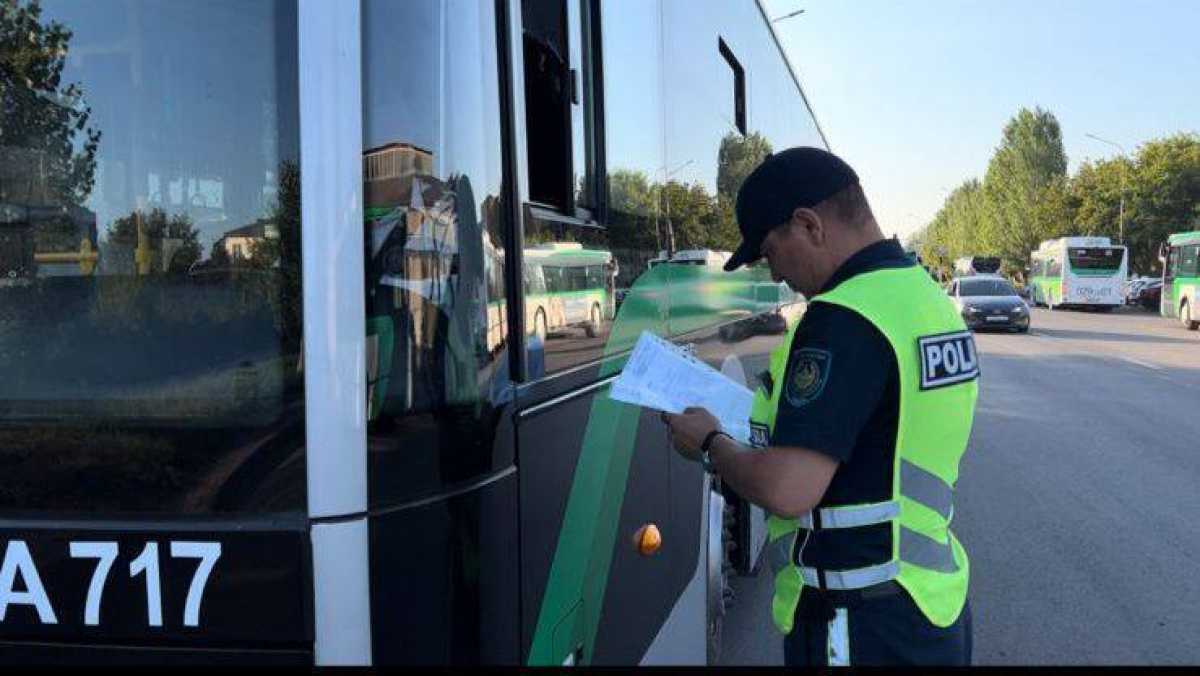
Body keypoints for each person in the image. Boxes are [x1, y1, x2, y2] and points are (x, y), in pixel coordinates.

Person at [662, 147, 978, 666]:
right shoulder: (923, 295)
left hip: (858, 624)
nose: (777, 274)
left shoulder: (842, 317)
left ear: (808, 225)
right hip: (928, 608)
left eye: (769, 251)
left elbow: (789, 489)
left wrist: (710, 442)